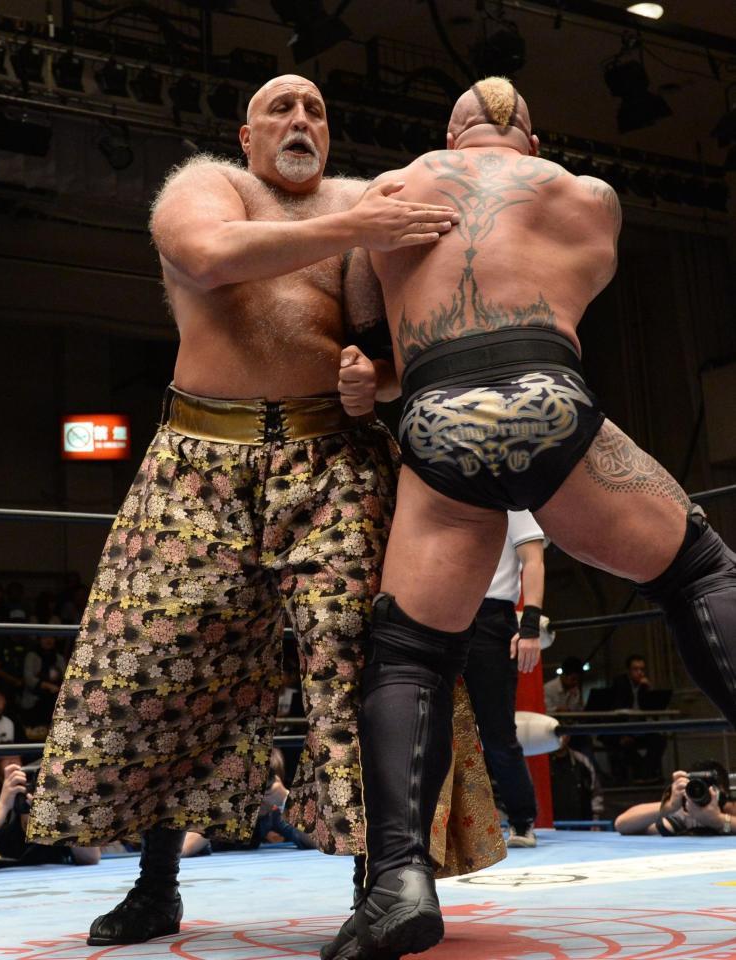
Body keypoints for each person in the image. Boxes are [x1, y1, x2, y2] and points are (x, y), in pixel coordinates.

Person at [25, 73, 463, 947]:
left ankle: (382, 885)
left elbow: (399, 353)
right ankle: (155, 885)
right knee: (157, 663)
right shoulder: (209, 184)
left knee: (359, 660)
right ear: (248, 134)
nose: (301, 120)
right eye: (281, 109)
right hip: (198, 459)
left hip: (330, 457)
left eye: (316, 111)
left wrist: (370, 381)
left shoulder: (361, 209)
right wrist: (356, 225)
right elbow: (207, 255)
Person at [324, 75, 736, 960]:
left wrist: (370, 379)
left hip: (438, 415)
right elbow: (563, 293)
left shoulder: (388, 193)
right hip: (548, 398)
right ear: (533, 143)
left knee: (408, 653)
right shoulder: (586, 197)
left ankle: (398, 884)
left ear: (449, 136)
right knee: (699, 572)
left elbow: (374, 344)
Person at [463, 510, 544, 848]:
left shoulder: (512, 503)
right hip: (443, 613)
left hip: (492, 617)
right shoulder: (445, 497)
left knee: (497, 730)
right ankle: (442, 827)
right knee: (437, 727)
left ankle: (522, 820)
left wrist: (530, 625)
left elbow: (533, 559)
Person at [182, 747, 315, 855]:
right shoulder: (221, 805)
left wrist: (286, 799)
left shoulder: (273, 814)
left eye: (266, 786)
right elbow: (183, 848)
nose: (260, 796)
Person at [0, 756, 100, 868]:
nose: (12, 761)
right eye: (5, 758)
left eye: (16, 757)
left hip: (54, 869)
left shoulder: (56, 791)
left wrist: (59, 813)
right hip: (1, 868)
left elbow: (90, 858)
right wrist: (3, 805)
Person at [614, 761, 734, 836]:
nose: (704, 793)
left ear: (724, 791)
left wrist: (719, 820)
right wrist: (668, 806)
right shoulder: (680, 815)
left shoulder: (729, 809)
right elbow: (622, 824)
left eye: (711, 788)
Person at [606, 653, 667, 782]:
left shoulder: (644, 685)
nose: (640, 672)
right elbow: (616, 709)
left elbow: (652, 709)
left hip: (640, 728)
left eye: (642, 669)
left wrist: (649, 690)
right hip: (621, 729)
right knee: (626, 746)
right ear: (628, 671)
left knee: (659, 740)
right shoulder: (620, 683)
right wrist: (622, 734)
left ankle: (644, 775)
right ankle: (643, 775)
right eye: (635, 669)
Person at [550, 735, 604, 826]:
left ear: (568, 737)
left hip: (581, 823)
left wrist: (596, 820)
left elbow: (596, 791)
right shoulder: (542, 764)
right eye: (557, 735)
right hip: (552, 825)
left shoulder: (582, 760)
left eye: (563, 734)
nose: (560, 739)